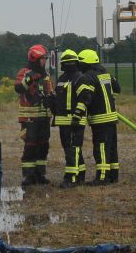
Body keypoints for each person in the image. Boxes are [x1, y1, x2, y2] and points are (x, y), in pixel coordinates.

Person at [73, 49, 121, 184]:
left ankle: (102, 178)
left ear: (85, 63)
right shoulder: (106, 74)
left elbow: (86, 97)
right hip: (111, 117)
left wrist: (78, 114)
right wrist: (111, 101)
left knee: (100, 148)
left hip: (100, 119)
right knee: (111, 148)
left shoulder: (88, 78)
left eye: (80, 63)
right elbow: (117, 89)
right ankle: (113, 176)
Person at [14, 44, 54, 186]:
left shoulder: (46, 75)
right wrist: (28, 80)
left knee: (43, 146)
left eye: (45, 59)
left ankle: (40, 173)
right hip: (29, 118)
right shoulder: (24, 72)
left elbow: (50, 92)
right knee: (30, 146)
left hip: (44, 118)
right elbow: (18, 88)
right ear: (35, 58)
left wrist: (52, 99)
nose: (45, 62)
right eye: (43, 59)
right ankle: (28, 175)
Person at [51, 49, 87, 187]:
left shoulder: (80, 78)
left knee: (73, 149)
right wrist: (51, 103)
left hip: (75, 121)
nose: (68, 66)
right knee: (70, 149)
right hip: (63, 121)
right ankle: (80, 174)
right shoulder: (61, 79)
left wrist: (77, 115)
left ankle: (71, 178)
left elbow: (85, 99)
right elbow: (59, 100)